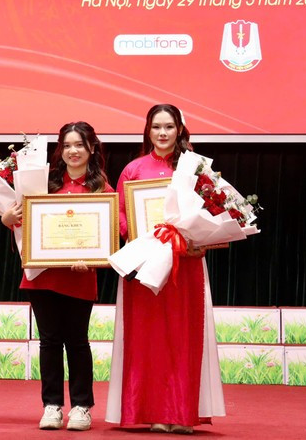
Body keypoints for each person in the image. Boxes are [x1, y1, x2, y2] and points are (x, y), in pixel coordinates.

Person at [105, 104, 225, 434]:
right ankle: (152, 411)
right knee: (149, 341)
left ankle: (184, 413)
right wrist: (144, 237)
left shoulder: (196, 169)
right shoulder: (133, 169)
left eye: (169, 127)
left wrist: (201, 239)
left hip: (185, 266)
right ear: (147, 131)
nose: (162, 133)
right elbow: (122, 217)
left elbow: (215, 211)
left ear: (180, 130)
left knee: (184, 338)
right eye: (156, 127)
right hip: (145, 268)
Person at [1, 122, 114, 431]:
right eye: (66, 146)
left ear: (92, 148)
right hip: (42, 275)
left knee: (77, 341)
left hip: (79, 277)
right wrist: (7, 218)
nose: (73, 151)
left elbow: (119, 228)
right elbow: (21, 219)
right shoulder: (43, 184)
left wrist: (92, 257)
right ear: (60, 151)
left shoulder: (101, 188)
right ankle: (52, 406)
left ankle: (81, 406)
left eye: (79, 145)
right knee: (49, 341)